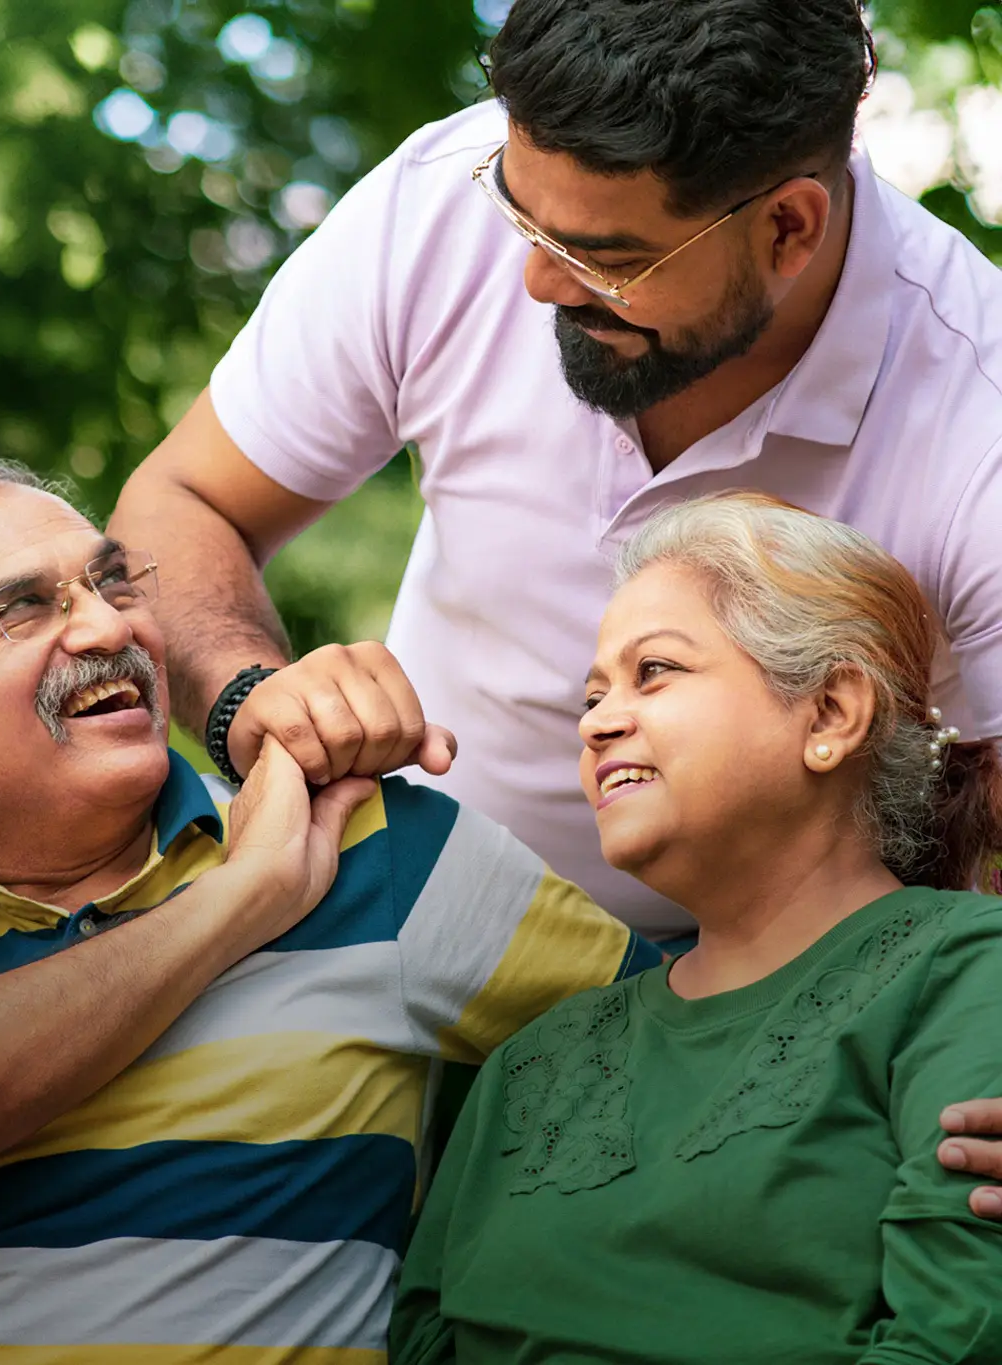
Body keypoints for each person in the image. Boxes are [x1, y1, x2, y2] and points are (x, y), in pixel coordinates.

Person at [0, 461, 1002, 1364]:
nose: (107, 627)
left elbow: (737, 1007)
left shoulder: (378, 850)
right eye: (26, 607)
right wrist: (242, 907)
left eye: (112, 586)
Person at [108, 0, 1002, 944]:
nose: (537, 280)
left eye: (607, 257)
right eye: (518, 210)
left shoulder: (975, 413)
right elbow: (180, 501)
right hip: (393, 918)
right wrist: (250, 692)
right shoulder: (434, 204)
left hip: (783, 999)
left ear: (788, 228)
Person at [391, 494, 1002, 1362]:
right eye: (592, 695)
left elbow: (955, 1337)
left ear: (830, 713)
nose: (597, 720)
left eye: (656, 672)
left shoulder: (965, 973)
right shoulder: (536, 1055)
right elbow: (421, 1340)